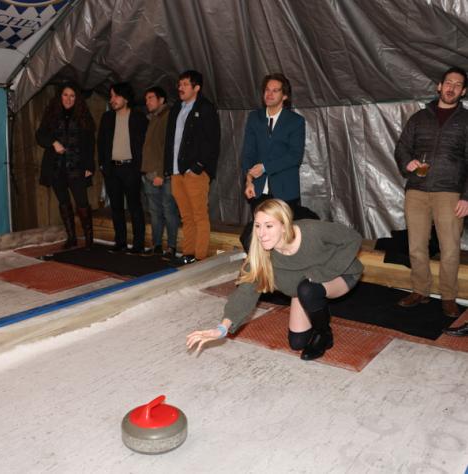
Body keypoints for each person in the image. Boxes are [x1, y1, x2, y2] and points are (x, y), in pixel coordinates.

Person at [186, 199, 363, 361]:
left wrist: (324, 272)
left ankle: (324, 334)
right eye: (257, 226)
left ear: (284, 225)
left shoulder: (311, 231)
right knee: (297, 342)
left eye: (269, 226)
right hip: (303, 285)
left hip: (340, 274)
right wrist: (222, 328)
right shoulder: (261, 253)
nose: (261, 233)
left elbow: (352, 238)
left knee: (309, 290)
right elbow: (246, 291)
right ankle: (312, 304)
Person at [395, 66, 468, 318]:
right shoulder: (419, 118)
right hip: (416, 190)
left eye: (458, 85)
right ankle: (420, 290)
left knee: (449, 248)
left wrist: (466, 197)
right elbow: (402, 148)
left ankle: (448, 296)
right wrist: (408, 163)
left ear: (464, 91)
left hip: (450, 193)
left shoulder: (466, 121)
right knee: (416, 245)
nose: (452, 88)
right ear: (439, 86)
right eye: (448, 83)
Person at [239, 73, 307, 251]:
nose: (269, 94)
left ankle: (283, 276)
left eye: (275, 91)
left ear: (284, 96)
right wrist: (248, 181)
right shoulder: (255, 117)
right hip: (259, 190)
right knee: (259, 238)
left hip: (285, 190)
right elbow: (248, 153)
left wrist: (265, 167)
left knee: (282, 238)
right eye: (267, 90)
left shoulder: (296, 121)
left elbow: (294, 156)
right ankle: (261, 274)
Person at [164, 70, 221, 264]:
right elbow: (170, 141)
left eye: (185, 84)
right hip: (176, 171)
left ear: (196, 87)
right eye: (179, 84)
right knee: (186, 215)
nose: (180, 88)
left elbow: (212, 141)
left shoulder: (205, 108)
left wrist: (198, 166)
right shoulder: (176, 109)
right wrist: (168, 169)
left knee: (199, 215)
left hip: (194, 172)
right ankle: (188, 253)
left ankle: (200, 257)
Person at [36, 82, 95, 249]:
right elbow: (40, 135)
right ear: (59, 97)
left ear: (77, 98)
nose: (68, 99)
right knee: (63, 202)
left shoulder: (84, 116)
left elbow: (90, 143)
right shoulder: (51, 115)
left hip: (77, 167)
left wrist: (90, 166)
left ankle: (89, 239)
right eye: (65, 95)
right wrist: (53, 142)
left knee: (82, 203)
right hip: (56, 168)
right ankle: (72, 237)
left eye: (72, 95)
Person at [97, 83, 148, 254]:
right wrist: (102, 164)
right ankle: (121, 242)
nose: (112, 100)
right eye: (111, 96)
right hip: (112, 169)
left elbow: (145, 145)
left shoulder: (139, 118)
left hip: (130, 168)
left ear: (125, 98)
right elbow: (101, 142)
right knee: (116, 208)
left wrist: (140, 167)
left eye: (115, 96)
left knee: (135, 207)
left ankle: (138, 244)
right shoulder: (107, 118)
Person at [142, 86, 180, 259]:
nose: (147, 101)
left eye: (151, 98)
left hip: (162, 174)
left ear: (161, 100)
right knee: (155, 212)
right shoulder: (152, 118)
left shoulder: (168, 117)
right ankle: (157, 245)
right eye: (146, 99)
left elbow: (167, 147)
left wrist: (160, 173)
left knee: (168, 210)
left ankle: (171, 247)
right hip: (149, 173)